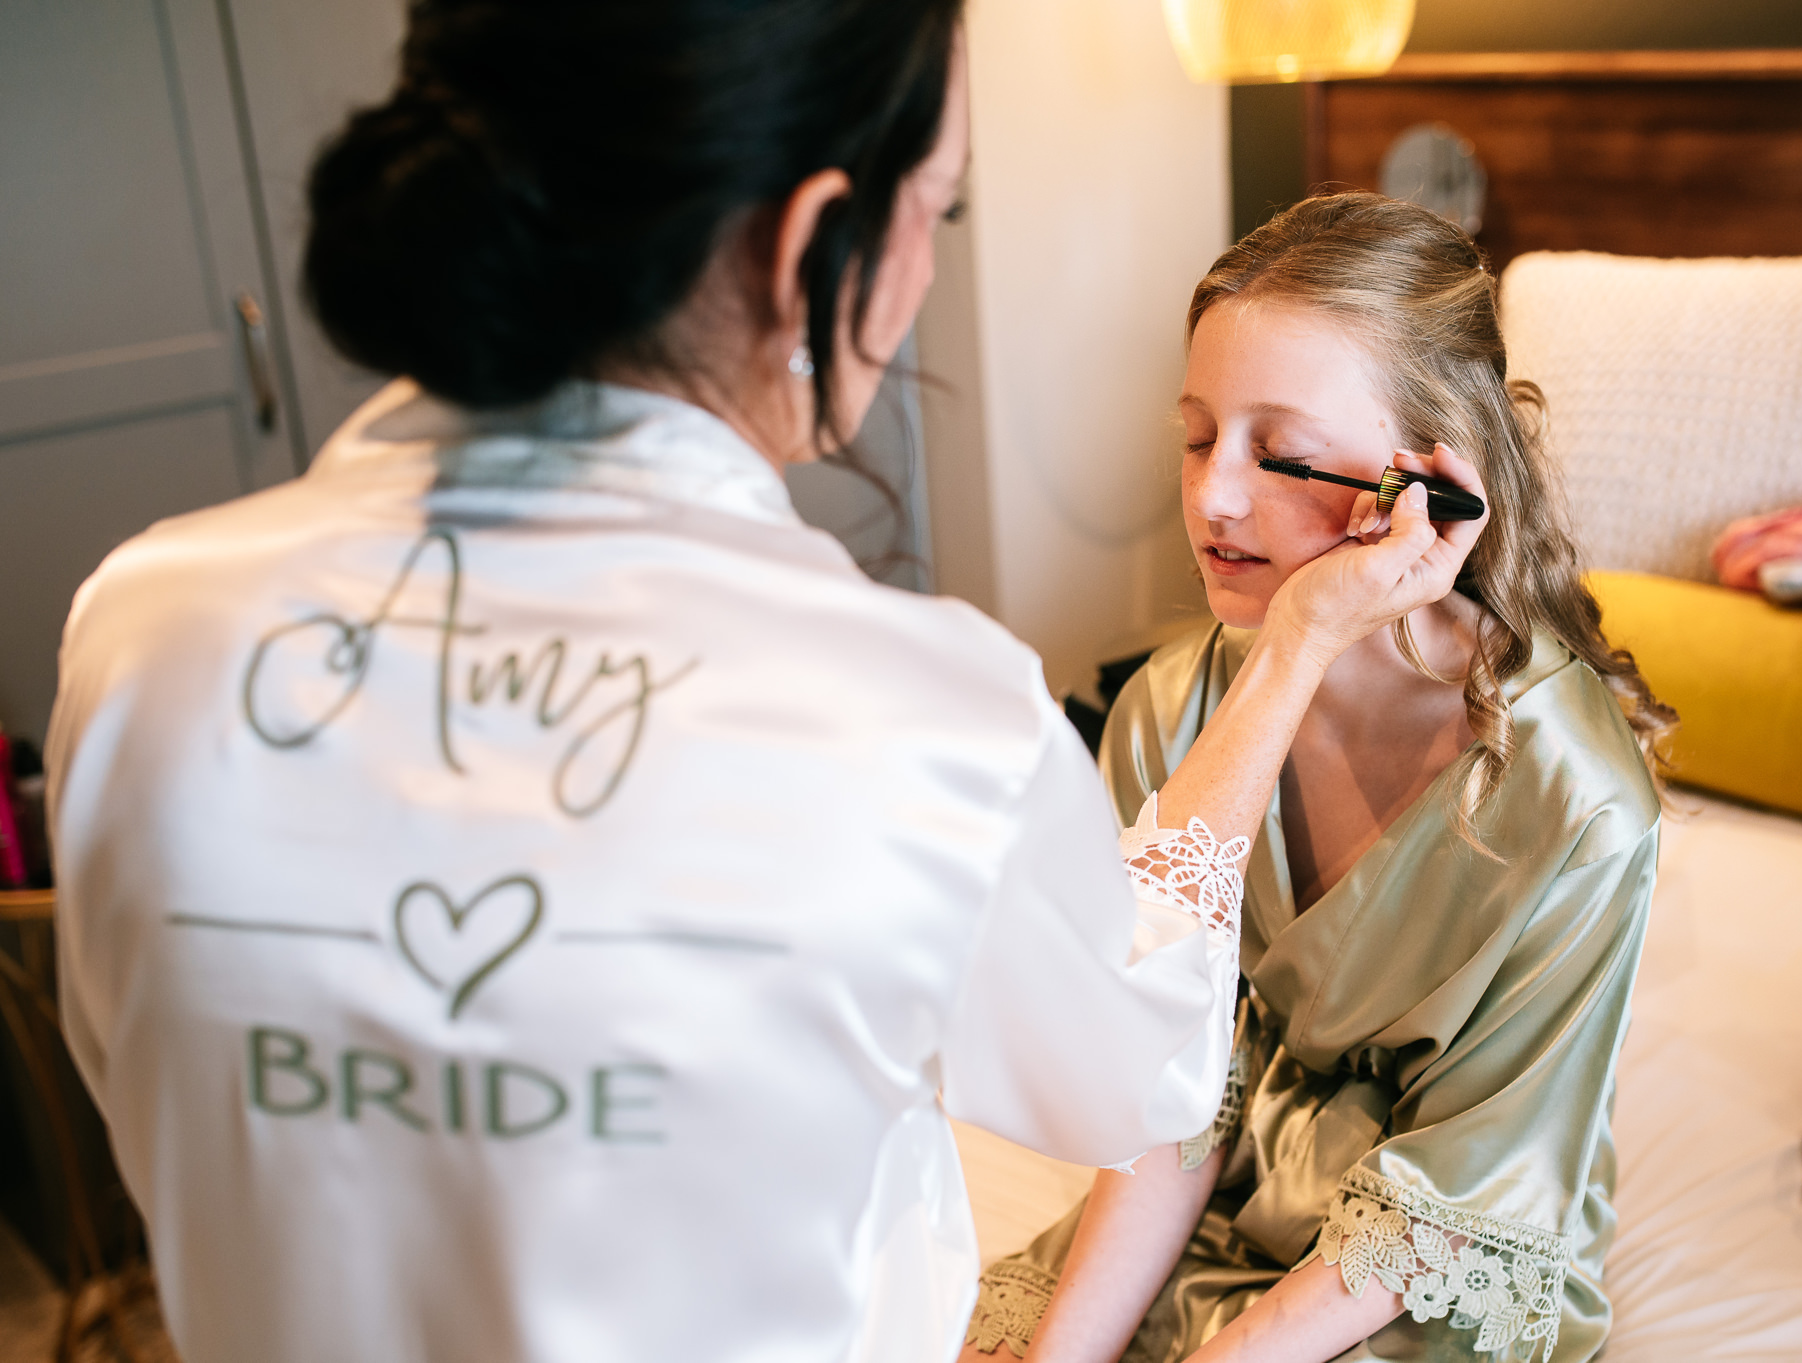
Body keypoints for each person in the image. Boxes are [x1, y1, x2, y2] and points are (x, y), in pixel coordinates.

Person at [43, 9, 1486, 1363]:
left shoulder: (139, 630)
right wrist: (1291, 649)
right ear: (813, 238)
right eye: (939, 211)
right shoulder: (920, 718)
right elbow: (1135, 1068)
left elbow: (163, 1108)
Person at [964, 193, 1674, 1363]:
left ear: (1431, 482)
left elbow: (1476, 1174)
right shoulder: (1170, 712)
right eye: (1196, 436)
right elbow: (1160, 1073)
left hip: (1435, 1247)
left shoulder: (1577, 803)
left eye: (1279, 451)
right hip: (1223, 1173)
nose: (1212, 497)